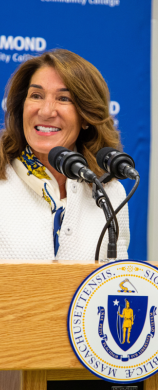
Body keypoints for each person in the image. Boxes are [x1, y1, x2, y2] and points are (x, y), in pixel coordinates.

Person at [0, 49, 129, 260]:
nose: (46, 111)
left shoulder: (111, 193)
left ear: (86, 116)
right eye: (36, 96)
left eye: (63, 98)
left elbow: (115, 280)